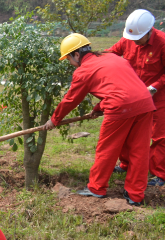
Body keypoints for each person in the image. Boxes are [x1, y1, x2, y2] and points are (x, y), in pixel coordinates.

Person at [42, 33, 155, 206]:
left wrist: (54, 119)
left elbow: (71, 99)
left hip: (120, 107)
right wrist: (98, 108)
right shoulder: (112, 57)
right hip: (145, 102)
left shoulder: (83, 71)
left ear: (77, 54)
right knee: (140, 151)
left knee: (107, 149)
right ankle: (135, 195)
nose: (70, 64)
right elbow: (119, 85)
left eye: (69, 59)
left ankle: (96, 188)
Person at [106, 9, 165, 187]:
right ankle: (126, 163)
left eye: (139, 38)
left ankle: (160, 174)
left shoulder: (162, 43)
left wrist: (154, 87)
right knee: (127, 128)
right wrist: (93, 59)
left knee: (160, 135)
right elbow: (111, 54)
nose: (135, 42)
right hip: (133, 95)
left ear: (149, 31)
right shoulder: (129, 39)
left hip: (158, 95)